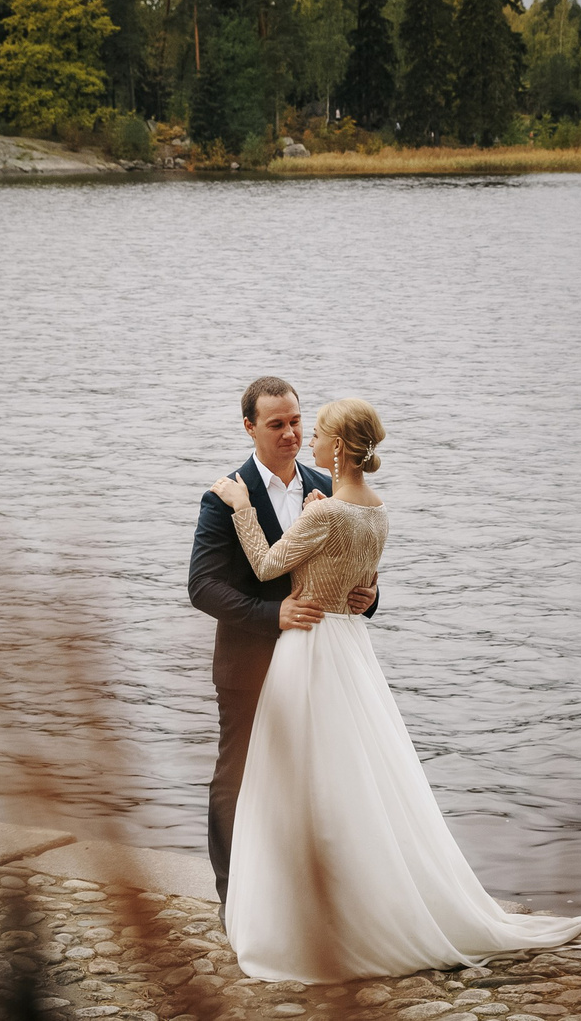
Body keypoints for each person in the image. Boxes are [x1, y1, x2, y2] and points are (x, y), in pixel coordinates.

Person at [208, 391, 581, 982]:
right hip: (347, 655)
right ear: (253, 426)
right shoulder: (375, 509)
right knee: (351, 781)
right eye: (284, 424)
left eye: (309, 428)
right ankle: (331, 906)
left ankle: (302, 921)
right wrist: (349, 585)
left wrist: (243, 507)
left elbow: (271, 566)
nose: (302, 436)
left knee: (301, 785)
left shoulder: (320, 507)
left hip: (308, 651)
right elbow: (347, 577)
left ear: (336, 448)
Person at [187, 376, 377, 906]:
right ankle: (235, 900)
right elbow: (202, 587)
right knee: (238, 780)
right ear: (249, 427)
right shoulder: (226, 496)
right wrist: (275, 614)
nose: (291, 433)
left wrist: (369, 595)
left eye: (297, 421)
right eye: (277, 425)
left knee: (321, 781)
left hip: (320, 665)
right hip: (250, 664)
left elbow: (350, 565)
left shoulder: (329, 486)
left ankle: (304, 901)